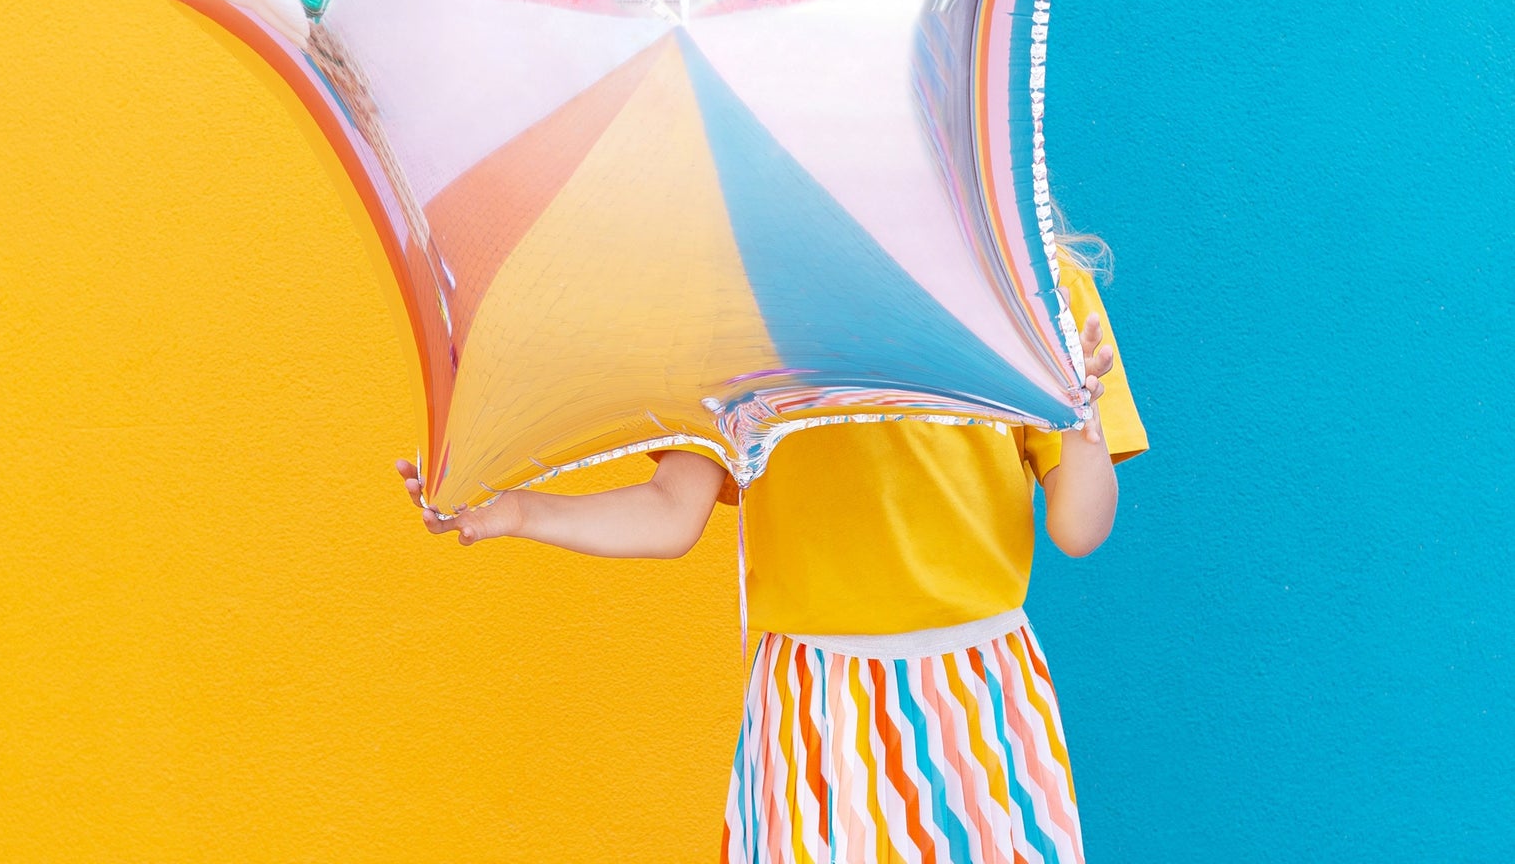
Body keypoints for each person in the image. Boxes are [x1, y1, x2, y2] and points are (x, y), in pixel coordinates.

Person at [396, 247, 1147, 863]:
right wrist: (516, 510)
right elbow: (669, 513)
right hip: (813, 702)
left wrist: (1080, 419)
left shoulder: (1028, 282)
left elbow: (1079, 530)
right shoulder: (737, 312)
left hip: (976, 698)